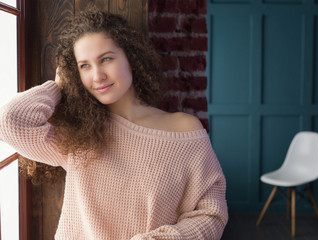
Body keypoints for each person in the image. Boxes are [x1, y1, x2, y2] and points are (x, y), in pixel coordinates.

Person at [0, 8, 228, 240]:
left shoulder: (184, 129)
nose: (97, 75)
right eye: (84, 66)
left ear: (131, 57)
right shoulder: (78, 135)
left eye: (106, 59)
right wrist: (60, 85)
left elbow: (211, 214)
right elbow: (10, 121)